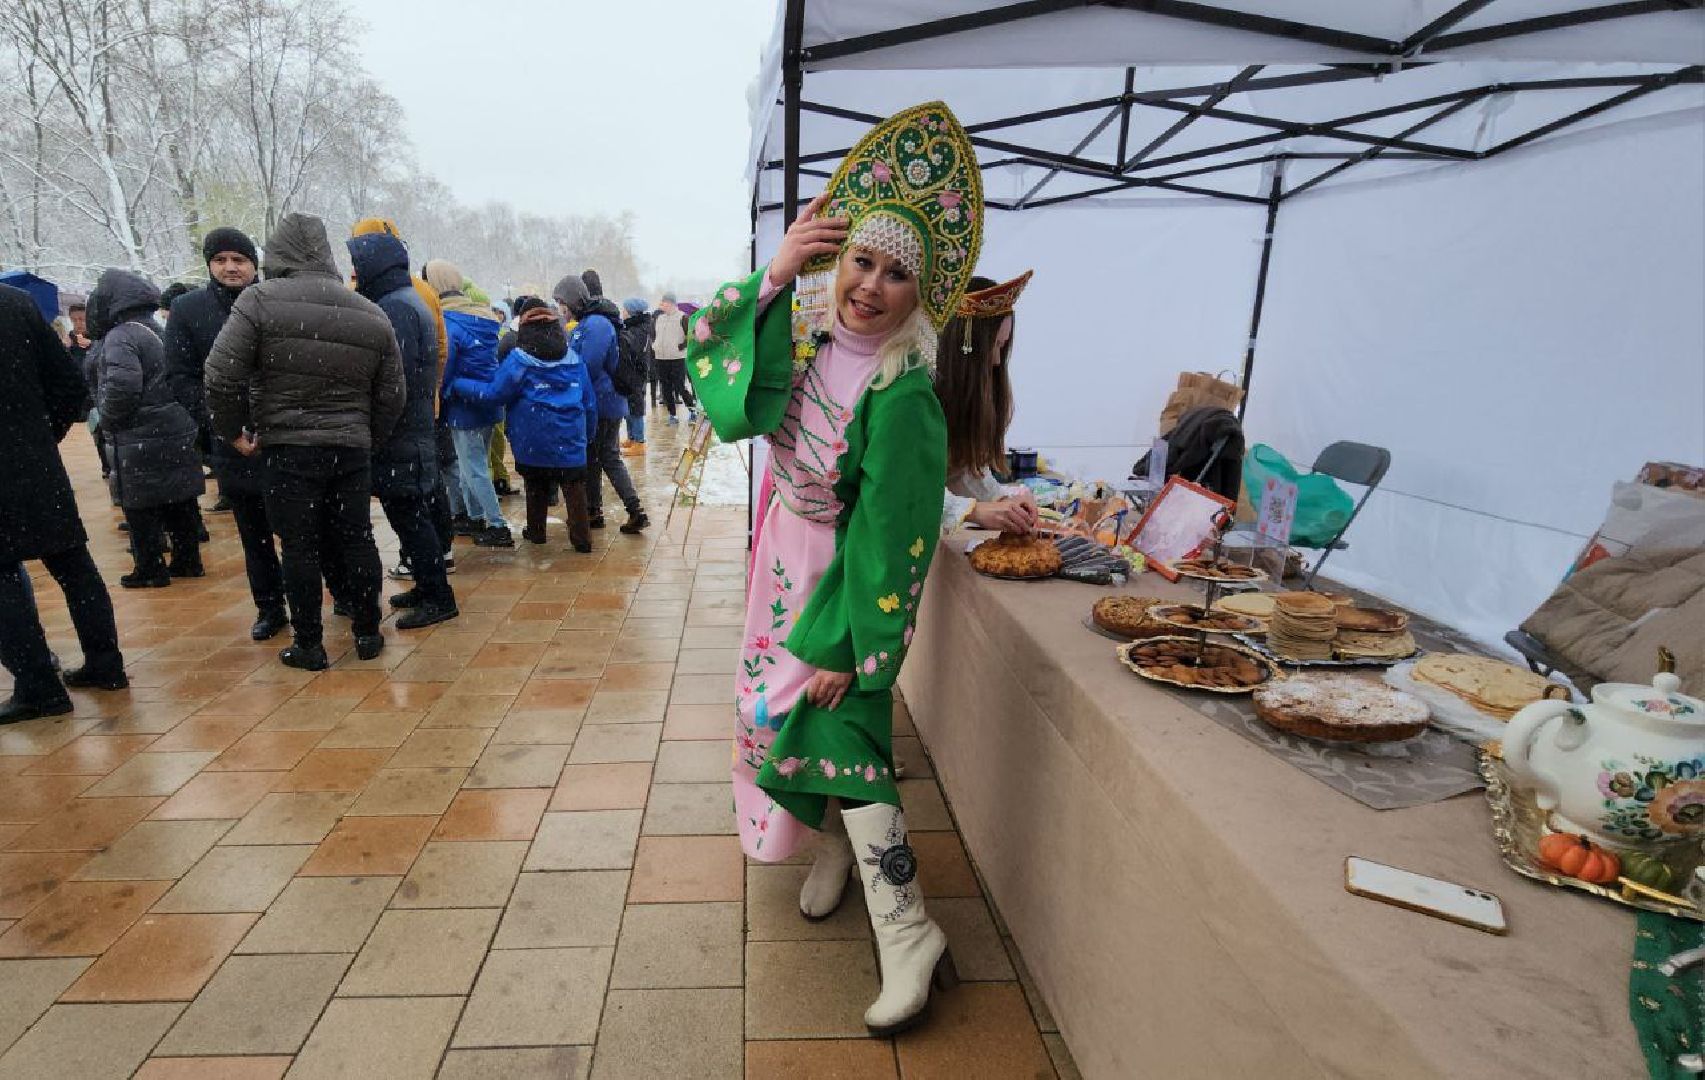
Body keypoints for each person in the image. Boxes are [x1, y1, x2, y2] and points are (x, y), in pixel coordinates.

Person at [685, 102, 982, 1035]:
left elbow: (895, 539)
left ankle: (908, 933)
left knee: (846, 736)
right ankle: (835, 856)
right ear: (837, 260)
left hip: (845, 591)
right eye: (861, 259)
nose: (870, 285)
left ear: (919, 296)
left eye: (897, 274)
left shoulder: (906, 397)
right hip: (783, 554)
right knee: (777, 719)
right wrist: (775, 275)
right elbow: (727, 403)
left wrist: (857, 648)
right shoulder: (806, 337)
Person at [205, 212, 406, 671]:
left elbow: (219, 375)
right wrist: (366, 436)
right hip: (350, 449)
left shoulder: (259, 302)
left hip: (288, 448)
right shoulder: (367, 311)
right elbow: (393, 391)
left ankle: (310, 644)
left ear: (277, 253)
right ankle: (368, 631)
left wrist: (234, 432)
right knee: (357, 538)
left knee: (298, 546)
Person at [0, 283, 127, 722]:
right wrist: (38, 439)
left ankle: (38, 685)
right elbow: (68, 385)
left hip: (26, 459)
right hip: (35, 464)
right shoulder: (14, 303)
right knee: (74, 567)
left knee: (3, 583)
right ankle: (105, 663)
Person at [162, 227, 289, 639]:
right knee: (254, 535)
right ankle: (269, 607)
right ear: (209, 265)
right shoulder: (189, 310)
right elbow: (181, 378)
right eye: (221, 260)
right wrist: (225, 426)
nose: (231, 268)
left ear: (254, 264)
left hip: (285, 436)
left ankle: (332, 593)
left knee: (304, 526)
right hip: (232, 443)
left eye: (239, 259)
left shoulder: (278, 300)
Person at [347, 230, 460, 630]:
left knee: (411, 516)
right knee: (413, 514)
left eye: (358, 265)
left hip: (400, 432)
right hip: (411, 428)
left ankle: (438, 596)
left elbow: (393, 379)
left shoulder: (396, 307)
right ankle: (429, 586)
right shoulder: (407, 300)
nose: (354, 274)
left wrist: (377, 427)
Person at [88, 269, 207, 588]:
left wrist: (108, 419)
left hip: (139, 432)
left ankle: (150, 566)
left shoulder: (120, 336)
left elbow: (122, 387)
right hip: (173, 427)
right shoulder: (154, 328)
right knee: (178, 497)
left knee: (139, 504)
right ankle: (187, 559)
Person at [451, 298, 593, 553]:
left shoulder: (519, 361)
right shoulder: (575, 360)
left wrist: (459, 384)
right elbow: (589, 403)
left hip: (532, 437)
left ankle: (537, 533)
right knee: (574, 488)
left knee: (536, 484)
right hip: (570, 438)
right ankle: (582, 540)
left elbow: (495, 394)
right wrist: (588, 436)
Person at [935, 272, 1040, 536]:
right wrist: (973, 510)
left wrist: (1003, 503)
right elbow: (902, 484)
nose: (996, 360)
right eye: (994, 345)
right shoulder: (915, 394)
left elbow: (961, 469)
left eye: (1002, 347)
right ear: (964, 345)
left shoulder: (960, 398)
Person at [552, 272, 649, 534]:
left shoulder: (596, 324)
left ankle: (632, 509)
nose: (560, 308)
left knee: (606, 456)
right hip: (600, 401)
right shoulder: (589, 323)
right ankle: (595, 510)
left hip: (602, 403)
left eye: (561, 302)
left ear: (572, 300)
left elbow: (588, 366)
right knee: (595, 457)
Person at [426, 258, 513, 548]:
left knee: (473, 468)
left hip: (464, 404)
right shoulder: (483, 315)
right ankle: (475, 518)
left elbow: (445, 365)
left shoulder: (449, 320)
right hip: (487, 399)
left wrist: (439, 391)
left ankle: (497, 525)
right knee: (470, 466)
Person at [653, 292, 696, 424]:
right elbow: (655, 334)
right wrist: (655, 346)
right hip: (661, 357)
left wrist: (681, 345)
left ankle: (692, 410)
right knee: (665, 388)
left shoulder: (683, 318)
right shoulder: (659, 318)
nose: (662, 304)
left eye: (664, 302)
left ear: (671, 303)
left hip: (677, 358)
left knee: (679, 387)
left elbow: (691, 336)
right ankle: (672, 415)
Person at [620, 296, 653, 454]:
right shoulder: (632, 327)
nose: (622, 312)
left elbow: (636, 352)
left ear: (632, 312)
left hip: (636, 373)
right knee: (629, 406)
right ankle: (631, 437)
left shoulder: (640, 330)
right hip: (630, 373)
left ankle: (639, 441)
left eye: (624, 310)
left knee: (636, 407)